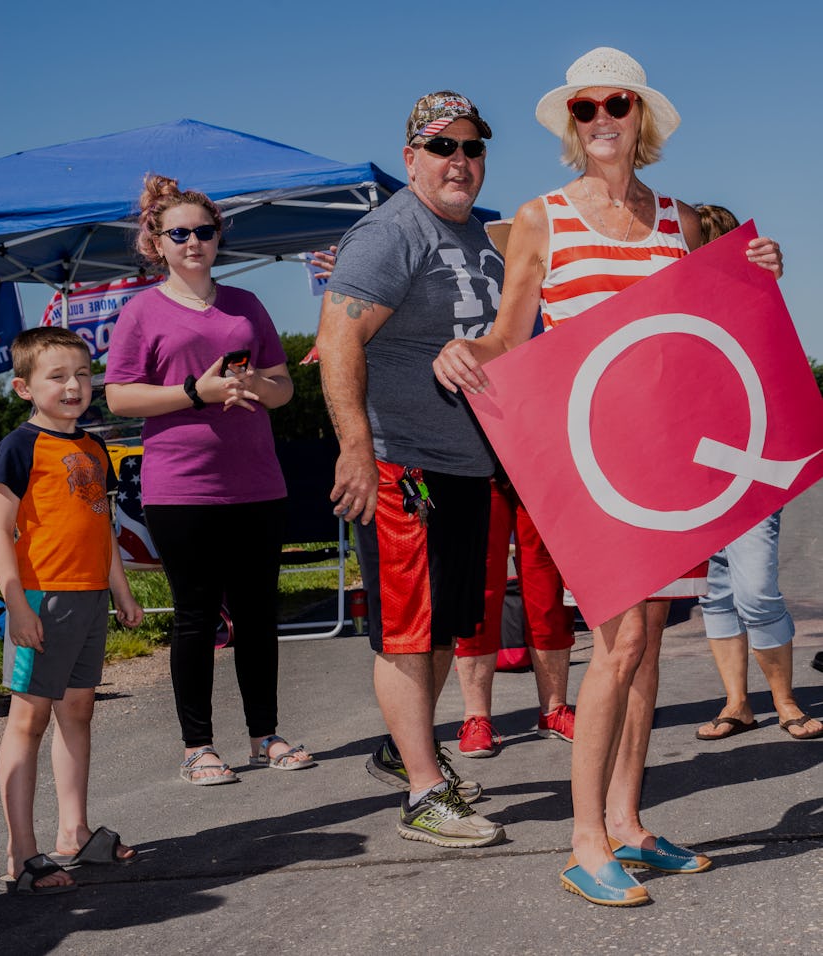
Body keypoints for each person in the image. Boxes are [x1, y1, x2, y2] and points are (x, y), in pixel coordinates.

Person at [433, 48, 782, 904]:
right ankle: (584, 841)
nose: (600, 120)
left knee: (650, 643)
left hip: (669, 460)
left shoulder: (679, 220)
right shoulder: (543, 216)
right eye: (584, 108)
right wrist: (463, 351)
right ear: (571, 123)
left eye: (615, 104)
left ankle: (627, 823)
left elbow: (713, 327)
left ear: (640, 116)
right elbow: (511, 332)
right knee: (620, 642)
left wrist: (762, 272)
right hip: (595, 461)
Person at [316, 91, 505, 848]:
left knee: (443, 627)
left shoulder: (489, 233)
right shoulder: (390, 231)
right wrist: (357, 449)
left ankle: (408, 750)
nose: (459, 160)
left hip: (467, 463)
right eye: (441, 147)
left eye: (472, 147)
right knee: (406, 631)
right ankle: (425, 794)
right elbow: (338, 341)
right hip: (404, 464)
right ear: (411, 158)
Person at [105, 175, 313, 785]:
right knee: (196, 617)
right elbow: (119, 397)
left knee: (257, 614)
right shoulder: (142, 311)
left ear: (219, 237)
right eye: (179, 234)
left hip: (257, 482)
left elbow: (284, 387)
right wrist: (197, 391)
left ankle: (264, 736)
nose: (193, 242)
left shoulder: (246, 304)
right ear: (157, 244)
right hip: (181, 486)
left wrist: (254, 385)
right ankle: (197, 746)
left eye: (204, 231)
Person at [0, 327, 143, 895]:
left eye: (82, 374)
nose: (74, 386)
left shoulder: (95, 448)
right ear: (24, 388)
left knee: (77, 710)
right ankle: (21, 853)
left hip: (90, 596)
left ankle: (73, 831)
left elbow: (101, 528)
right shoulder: (18, 447)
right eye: (57, 376)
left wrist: (121, 591)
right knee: (28, 721)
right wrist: (16, 604)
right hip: (41, 598)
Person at [693, 205, 823, 743]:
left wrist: (767, 275)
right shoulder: (671, 314)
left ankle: (785, 701)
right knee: (715, 591)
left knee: (755, 589)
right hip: (692, 472)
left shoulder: (747, 305)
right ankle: (737, 703)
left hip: (747, 467)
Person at [455, 470, 576, 758]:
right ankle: (476, 717)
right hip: (478, 464)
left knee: (547, 588)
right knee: (479, 586)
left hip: (536, 465)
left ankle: (554, 710)